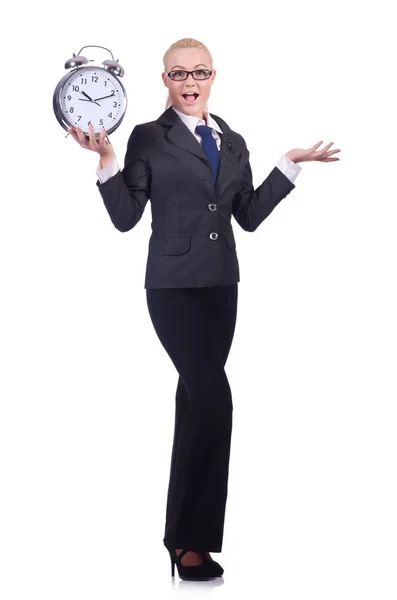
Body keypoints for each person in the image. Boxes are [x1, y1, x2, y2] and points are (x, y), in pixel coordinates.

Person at [67, 37, 340, 581]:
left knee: (195, 407)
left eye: (199, 72)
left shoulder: (233, 140)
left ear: (213, 76)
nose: (189, 82)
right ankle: (193, 544)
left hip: (221, 288)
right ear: (163, 81)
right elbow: (126, 218)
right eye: (177, 74)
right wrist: (106, 161)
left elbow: (250, 215)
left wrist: (290, 163)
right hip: (172, 290)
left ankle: (176, 537)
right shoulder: (148, 136)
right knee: (216, 402)